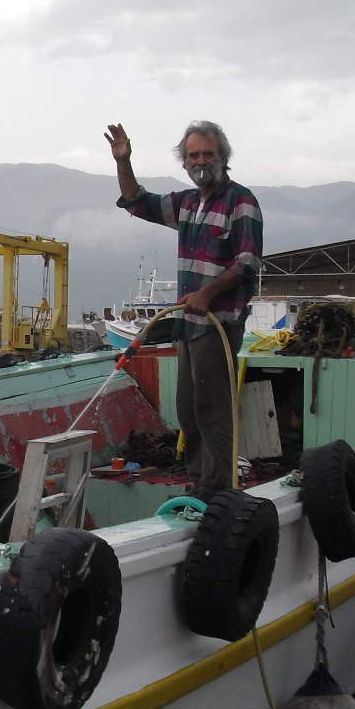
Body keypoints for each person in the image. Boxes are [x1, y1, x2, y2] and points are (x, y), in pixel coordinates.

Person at [105, 120, 263, 500]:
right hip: (188, 326)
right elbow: (137, 201)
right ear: (184, 161)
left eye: (208, 154)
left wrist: (207, 294)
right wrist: (123, 160)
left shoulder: (240, 201)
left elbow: (248, 262)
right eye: (194, 155)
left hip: (219, 323)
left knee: (212, 408)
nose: (201, 161)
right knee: (188, 410)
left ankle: (219, 489)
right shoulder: (188, 203)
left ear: (223, 157)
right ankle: (199, 482)